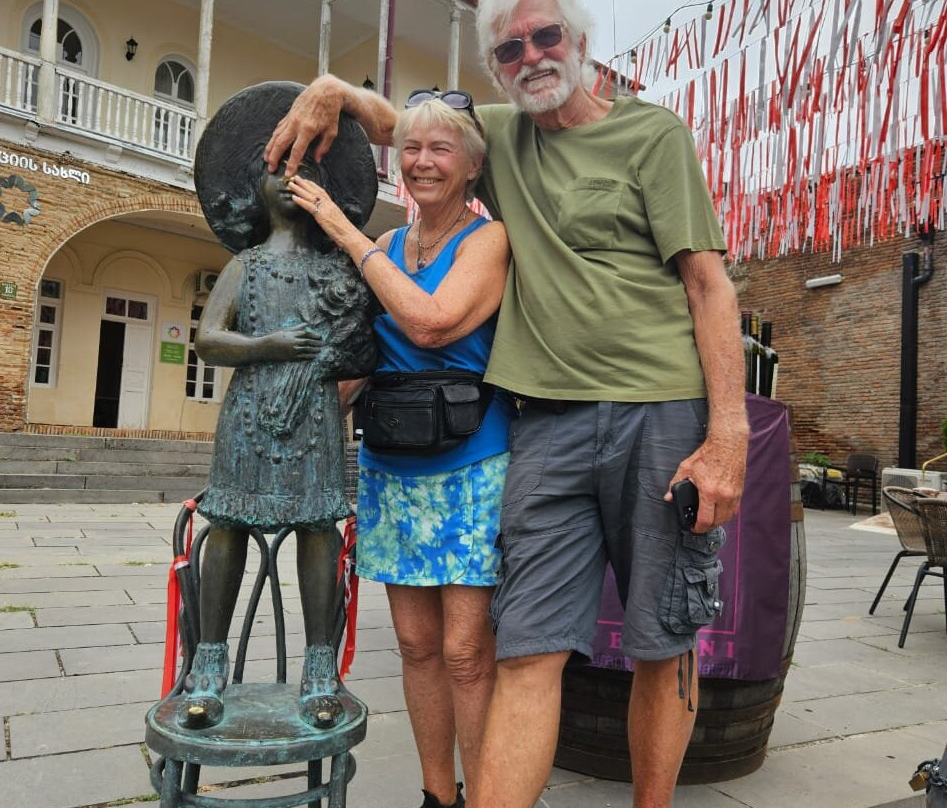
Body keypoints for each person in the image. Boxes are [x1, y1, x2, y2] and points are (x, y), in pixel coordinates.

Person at [265, 0, 749, 804]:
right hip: (546, 422)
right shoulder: (503, 135)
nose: (531, 55)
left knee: (662, 641)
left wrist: (728, 433)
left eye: (547, 36)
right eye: (511, 47)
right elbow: (403, 130)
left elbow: (708, 284)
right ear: (495, 68)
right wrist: (330, 89)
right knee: (525, 646)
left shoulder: (652, 135)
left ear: (582, 45)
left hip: (659, 409)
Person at [286, 92, 512, 808]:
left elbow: (431, 324)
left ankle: (485, 797)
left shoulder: (488, 242)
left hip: (471, 464)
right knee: (416, 647)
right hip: (391, 464)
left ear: (471, 166)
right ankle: (435, 795)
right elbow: (362, 360)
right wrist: (295, 411)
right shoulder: (387, 249)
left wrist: (347, 236)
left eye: (441, 149)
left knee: (467, 652)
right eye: (411, 148)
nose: (421, 162)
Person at [184, 81, 379, 732]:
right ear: (253, 192)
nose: (291, 181)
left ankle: (320, 665)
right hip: (248, 417)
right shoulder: (246, 265)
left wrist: (332, 353)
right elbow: (209, 338)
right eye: (279, 171)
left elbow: (361, 351)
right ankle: (208, 662)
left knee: (319, 529)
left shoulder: (336, 271)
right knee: (230, 527)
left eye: (305, 172)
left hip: (316, 420)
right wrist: (267, 344)